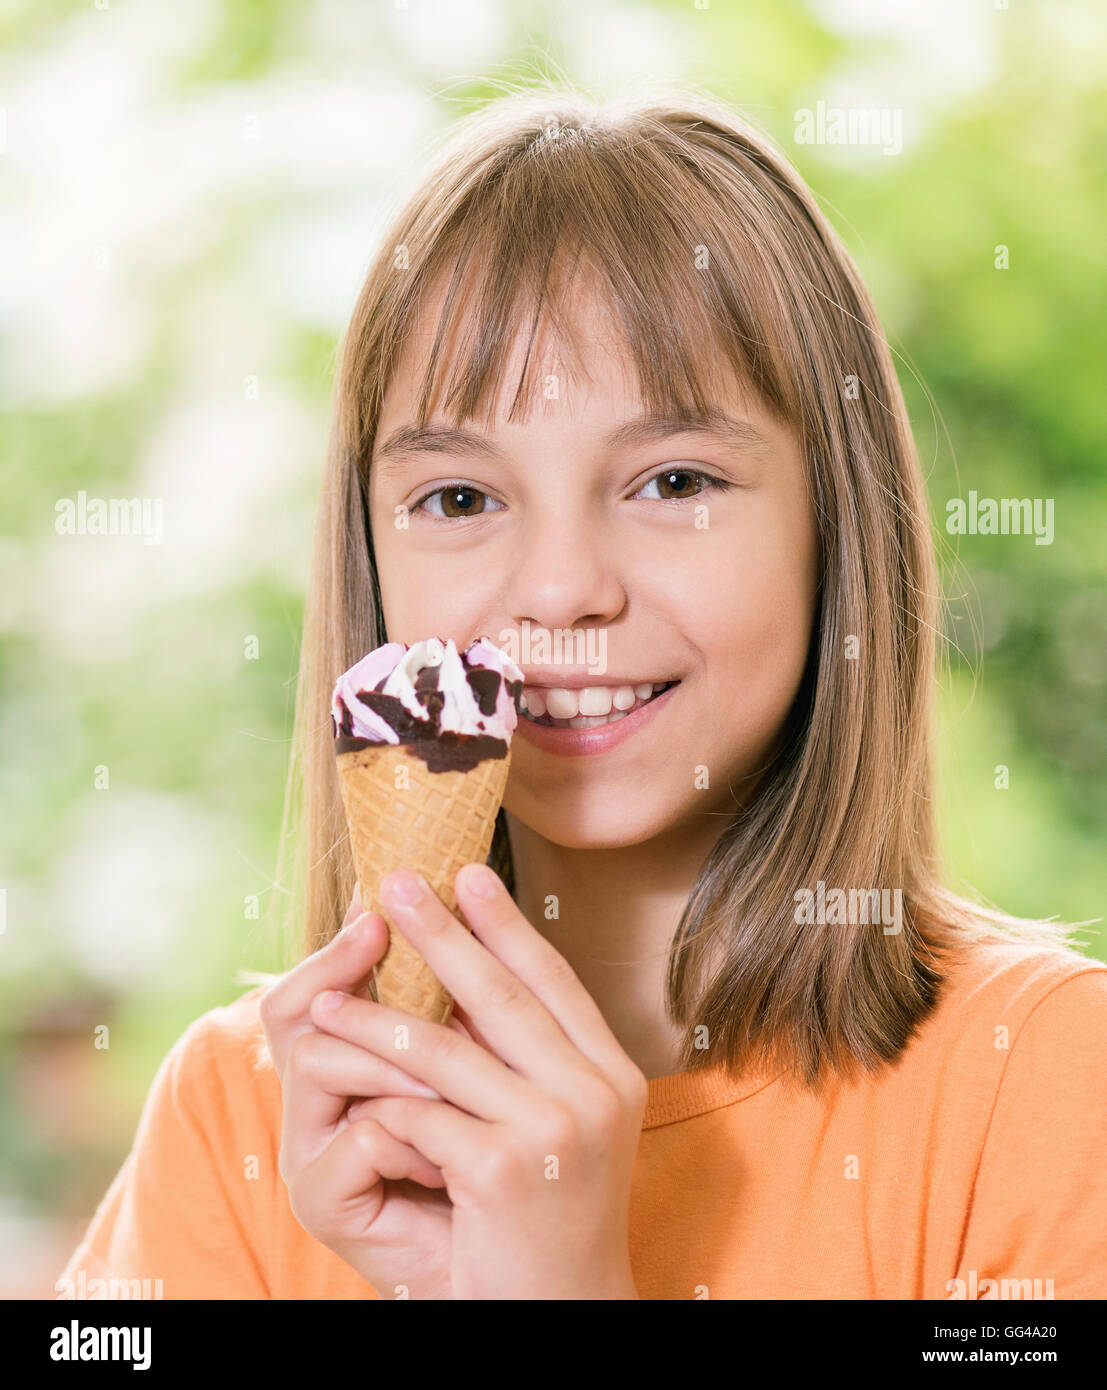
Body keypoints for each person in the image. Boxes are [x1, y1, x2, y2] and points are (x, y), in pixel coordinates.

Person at [59, 86, 1107, 1301]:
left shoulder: (1045, 1080)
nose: (558, 593)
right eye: (459, 499)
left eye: (672, 479)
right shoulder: (244, 1119)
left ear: (839, 525)